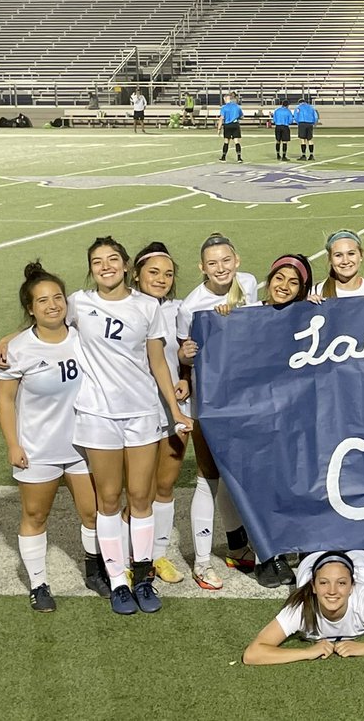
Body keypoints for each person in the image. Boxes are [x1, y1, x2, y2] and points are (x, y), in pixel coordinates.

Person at [72, 237, 194, 614]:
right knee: (109, 501)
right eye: (97, 261)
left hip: (142, 414)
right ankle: (118, 581)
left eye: (112, 259)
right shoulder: (79, 302)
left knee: (141, 499)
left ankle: (143, 578)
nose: (105, 266)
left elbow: (159, 362)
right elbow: (44, 323)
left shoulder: (146, 306)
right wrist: (10, 339)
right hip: (97, 416)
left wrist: (175, 411)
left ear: (126, 266)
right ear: (91, 268)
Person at [0, 262, 108, 611]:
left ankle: (94, 570)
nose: (53, 305)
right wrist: (13, 444)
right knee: (35, 515)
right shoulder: (18, 349)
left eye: (58, 297)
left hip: (82, 444)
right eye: (42, 301)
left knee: (93, 513)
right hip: (38, 448)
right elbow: (5, 400)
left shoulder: (82, 336)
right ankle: (39, 583)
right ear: (30, 309)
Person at [213, 253, 314, 586]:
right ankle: (265, 556)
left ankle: (290, 546)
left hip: (293, 413)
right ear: (269, 280)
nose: (284, 286)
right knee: (260, 484)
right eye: (279, 278)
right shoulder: (248, 316)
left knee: (290, 480)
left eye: (293, 282)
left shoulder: (306, 316)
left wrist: (322, 310)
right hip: (256, 413)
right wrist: (224, 321)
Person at [176, 233, 262, 590]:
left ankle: (239, 546)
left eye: (225, 260)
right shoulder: (190, 306)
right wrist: (185, 358)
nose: (221, 268)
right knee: (208, 477)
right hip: (209, 401)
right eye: (212, 263)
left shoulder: (248, 284)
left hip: (245, 396)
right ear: (202, 268)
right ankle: (200, 561)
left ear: (237, 260)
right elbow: (184, 353)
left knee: (237, 475)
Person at [243, 550, 364, 664]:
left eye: (341, 584)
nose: (332, 591)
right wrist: (306, 653)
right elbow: (253, 654)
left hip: (362, 556)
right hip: (314, 556)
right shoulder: (301, 607)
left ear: (352, 587)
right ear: (313, 586)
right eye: (323, 583)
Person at [132, 242, 191, 585]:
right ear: (136, 274)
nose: (162, 279)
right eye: (153, 272)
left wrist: (186, 378)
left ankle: (159, 555)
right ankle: (133, 556)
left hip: (173, 410)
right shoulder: (119, 307)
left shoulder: (179, 309)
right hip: (134, 410)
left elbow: (188, 355)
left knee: (165, 486)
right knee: (139, 490)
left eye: (168, 274)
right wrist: (11, 337)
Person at [313, 230, 364, 299]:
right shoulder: (316, 292)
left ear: (361, 255)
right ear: (330, 259)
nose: (345, 261)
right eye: (338, 255)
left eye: (351, 254)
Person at [217, 91, 243, 163]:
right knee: (236, 141)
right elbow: (242, 116)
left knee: (226, 142)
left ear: (225, 99)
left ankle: (223, 157)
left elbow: (221, 118)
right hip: (235, 125)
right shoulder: (237, 107)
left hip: (227, 125)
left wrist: (219, 129)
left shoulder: (224, 108)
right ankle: (239, 158)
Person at [294, 94, 318, 160]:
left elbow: (295, 116)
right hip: (310, 124)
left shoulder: (298, 107)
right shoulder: (311, 107)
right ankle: (311, 155)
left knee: (302, 140)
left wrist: (298, 122)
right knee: (310, 140)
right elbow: (315, 116)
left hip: (302, 123)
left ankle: (303, 155)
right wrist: (314, 123)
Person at [271, 97, 293, 161]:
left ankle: (278, 155)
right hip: (285, 127)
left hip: (278, 126)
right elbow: (290, 120)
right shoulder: (288, 111)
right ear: (288, 105)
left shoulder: (277, 110)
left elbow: (274, 120)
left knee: (278, 141)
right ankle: (284, 156)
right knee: (284, 142)